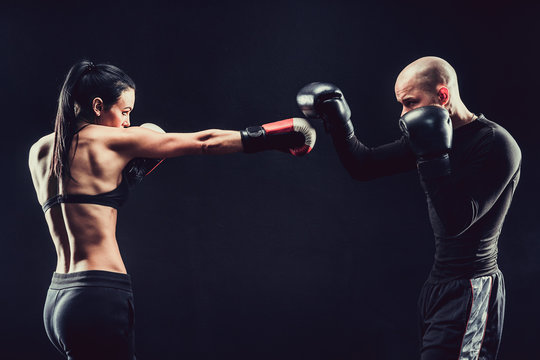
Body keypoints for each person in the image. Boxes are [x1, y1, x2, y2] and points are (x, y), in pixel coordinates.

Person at [28, 60, 316, 360]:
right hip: (98, 296)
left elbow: (81, 192)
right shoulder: (114, 142)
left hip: (58, 299)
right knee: (152, 132)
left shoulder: (40, 151)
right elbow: (205, 142)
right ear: (98, 105)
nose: (127, 122)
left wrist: (124, 177)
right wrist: (269, 137)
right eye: (124, 112)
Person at [296, 56, 521, 360]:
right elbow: (363, 165)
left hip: (472, 288)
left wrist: (432, 158)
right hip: (437, 286)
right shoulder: (429, 137)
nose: (404, 114)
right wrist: (339, 121)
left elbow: (457, 219)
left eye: (411, 103)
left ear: (443, 96)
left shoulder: (496, 143)